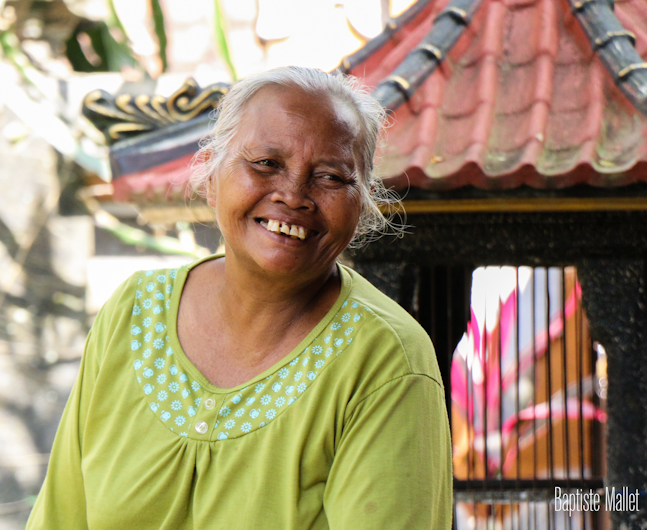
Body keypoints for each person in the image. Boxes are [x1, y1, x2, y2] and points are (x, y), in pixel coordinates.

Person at [26, 66, 452, 529]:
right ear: (212, 175)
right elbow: (60, 516)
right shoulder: (134, 312)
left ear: (363, 202)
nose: (294, 195)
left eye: (330, 176)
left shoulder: (385, 358)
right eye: (266, 163)